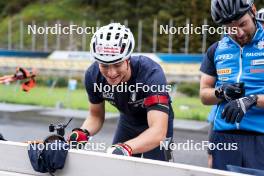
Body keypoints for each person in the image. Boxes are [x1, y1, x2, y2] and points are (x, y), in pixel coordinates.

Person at [68, 23, 174, 161]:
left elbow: (158, 131)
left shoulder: (151, 74)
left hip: (156, 124)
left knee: (155, 171)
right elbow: (95, 116)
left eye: (117, 64)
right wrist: (83, 132)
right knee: (116, 167)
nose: (111, 73)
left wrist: (126, 148)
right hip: (128, 121)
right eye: (104, 65)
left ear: (128, 59)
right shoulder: (93, 75)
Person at [200, 0, 264, 171]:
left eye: (243, 24)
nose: (239, 33)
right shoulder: (216, 50)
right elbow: (204, 95)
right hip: (223, 137)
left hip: (260, 137)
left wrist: (252, 100)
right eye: (231, 28)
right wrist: (221, 92)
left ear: (253, 11)